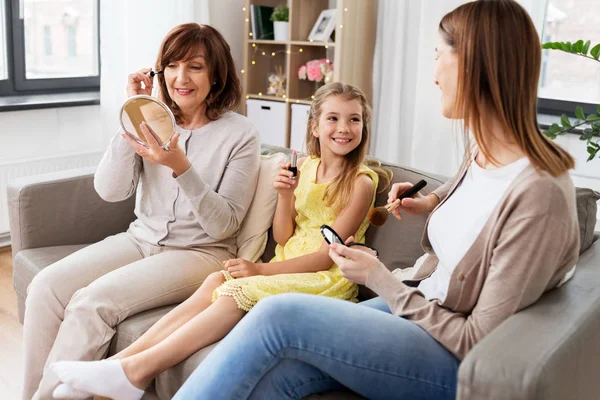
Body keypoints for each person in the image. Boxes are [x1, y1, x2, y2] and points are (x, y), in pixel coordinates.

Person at [170, 1, 581, 399]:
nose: (434, 73)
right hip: (424, 307)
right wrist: (431, 201)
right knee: (280, 374)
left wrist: (380, 278)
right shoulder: (483, 150)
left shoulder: (539, 192)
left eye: (439, 55)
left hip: (455, 357)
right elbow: (470, 196)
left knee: (279, 314)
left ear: (474, 65)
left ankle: (130, 376)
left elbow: (475, 340)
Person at [49, 82, 392, 400]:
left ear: (364, 128)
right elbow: (283, 236)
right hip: (285, 267)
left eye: (354, 120)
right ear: (315, 126)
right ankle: (115, 364)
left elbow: (324, 257)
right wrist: (285, 196)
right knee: (216, 279)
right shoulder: (304, 165)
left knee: (234, 292)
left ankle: (135, 373)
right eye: (333, 118)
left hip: (324, 279)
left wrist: (258, 269)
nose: (344, 128)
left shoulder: (361, 182)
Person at [21, 23, 261, 400]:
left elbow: (224, 225)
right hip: (140, 238)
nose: (181, 77)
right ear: (159, 71)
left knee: (91, 302)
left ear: (217, 74)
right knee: (45, 288)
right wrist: (130, 116)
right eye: (172, 65)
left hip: (200, 253)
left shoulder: (241, 134)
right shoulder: (151, 117)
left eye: (195, 67)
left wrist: (181, 167)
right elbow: (109, 190)